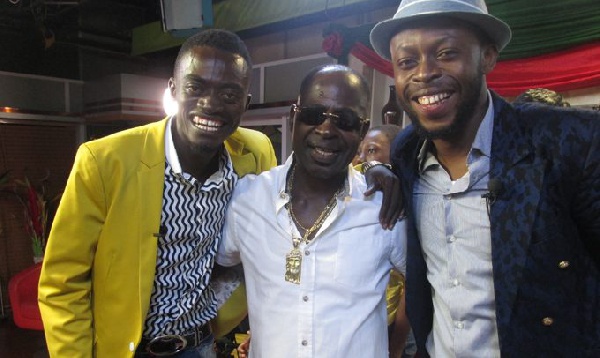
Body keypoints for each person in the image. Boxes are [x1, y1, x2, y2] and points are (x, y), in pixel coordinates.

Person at [370, 0, 600, 356]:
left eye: (446, 53)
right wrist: (376, 168)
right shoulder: (405, 153)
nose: (424, 73)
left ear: (488, 57)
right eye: (407, 62)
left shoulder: (568, 143)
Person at [37, 29, 279, 358]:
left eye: (229, 94)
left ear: (245, 104)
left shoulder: (254, 154)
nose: (210, 104)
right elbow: (62, 282)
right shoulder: (105, 161)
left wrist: (370, 171)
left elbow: (303, 185)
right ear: (173, 90)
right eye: (195, 87)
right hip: (126, 349)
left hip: (201, 343)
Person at [216, 64, 408, 357]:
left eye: (344, 120)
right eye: (313, 115)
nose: (326, 130)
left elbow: (431, 286)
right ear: (294, 118)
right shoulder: (248, 200)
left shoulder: (383, 207)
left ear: (362, 130)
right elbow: (209, 266)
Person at [358, 124, 417, 358]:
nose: (362, 158)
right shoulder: (365, 196)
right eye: (361, 151)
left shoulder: (403, 205)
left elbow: (410, 285)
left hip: (396, 326)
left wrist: (397, 343)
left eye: (372, 150)